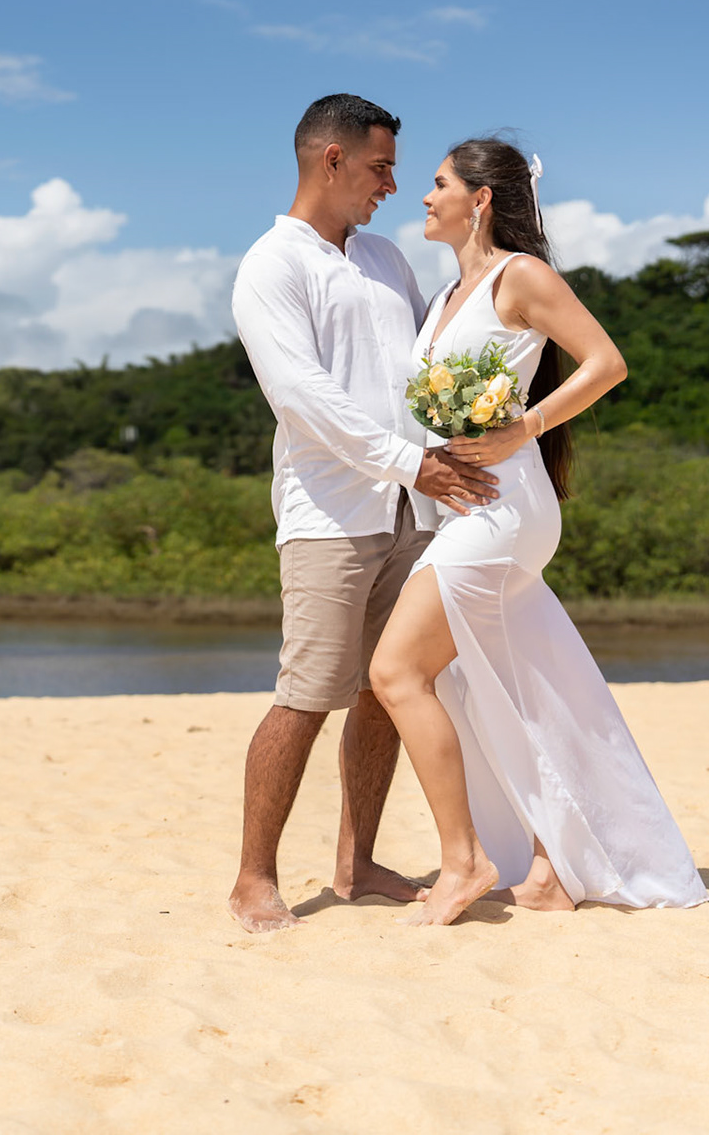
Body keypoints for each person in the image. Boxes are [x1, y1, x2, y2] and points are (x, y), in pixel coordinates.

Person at [369, 136, 709, 925]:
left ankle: (464, 862)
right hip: (467, 509)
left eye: (438, 183)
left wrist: (521, 429)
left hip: (504, 509)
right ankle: (554, 868)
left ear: (479, 198)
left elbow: (606, 362)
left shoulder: (519, 276)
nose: (425, 196)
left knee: (396, 673)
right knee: (504, 691)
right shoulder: (448, 294)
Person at [227, 96, 503, 933]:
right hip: (328, 515)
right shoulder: (272, 265)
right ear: (332, 159)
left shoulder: (386, 258)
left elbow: (430, 369)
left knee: (388, 689)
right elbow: (302, 399)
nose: (394, 185)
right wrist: (409, 459)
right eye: (382, 167)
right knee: (306, 696)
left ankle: (355, 861)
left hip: (413, 510)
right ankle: (252, 879)